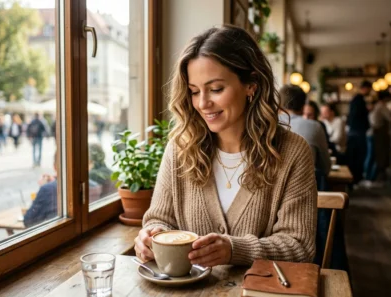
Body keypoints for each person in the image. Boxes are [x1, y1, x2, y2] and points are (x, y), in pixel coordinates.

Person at [134, 25, 317, 267]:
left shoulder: (292, 152)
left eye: (216, 89)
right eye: (194, 91)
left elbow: (299, 245)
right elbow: (160, 219)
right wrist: (151, 235)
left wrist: (234, 250)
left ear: (251, 84)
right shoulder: (179, 149)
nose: (203, 103)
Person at [279, 85, 331, 178]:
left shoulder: (266, 124)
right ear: (303, 106)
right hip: (304, 187)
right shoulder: (315, 126)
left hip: (269, 187)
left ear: (279, 104)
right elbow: (325, 167)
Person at [346, 80, 371, 186]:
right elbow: (357, 115)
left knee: (356, 155)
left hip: (354, 131)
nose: (370, 91)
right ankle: (356, 179)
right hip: (358, 131)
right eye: (369, 89)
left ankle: (355, 179)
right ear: (365, 88)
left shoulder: (356, 99)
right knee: (359, 155)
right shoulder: (359, 99)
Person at [369, 91, 391, 182]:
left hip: (374, 131)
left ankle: (371, 177)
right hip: (379, 132)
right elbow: (390, 118)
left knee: (374, 155)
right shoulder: (382, 106)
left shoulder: (377, 105)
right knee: (379, 155)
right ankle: (373, 177)